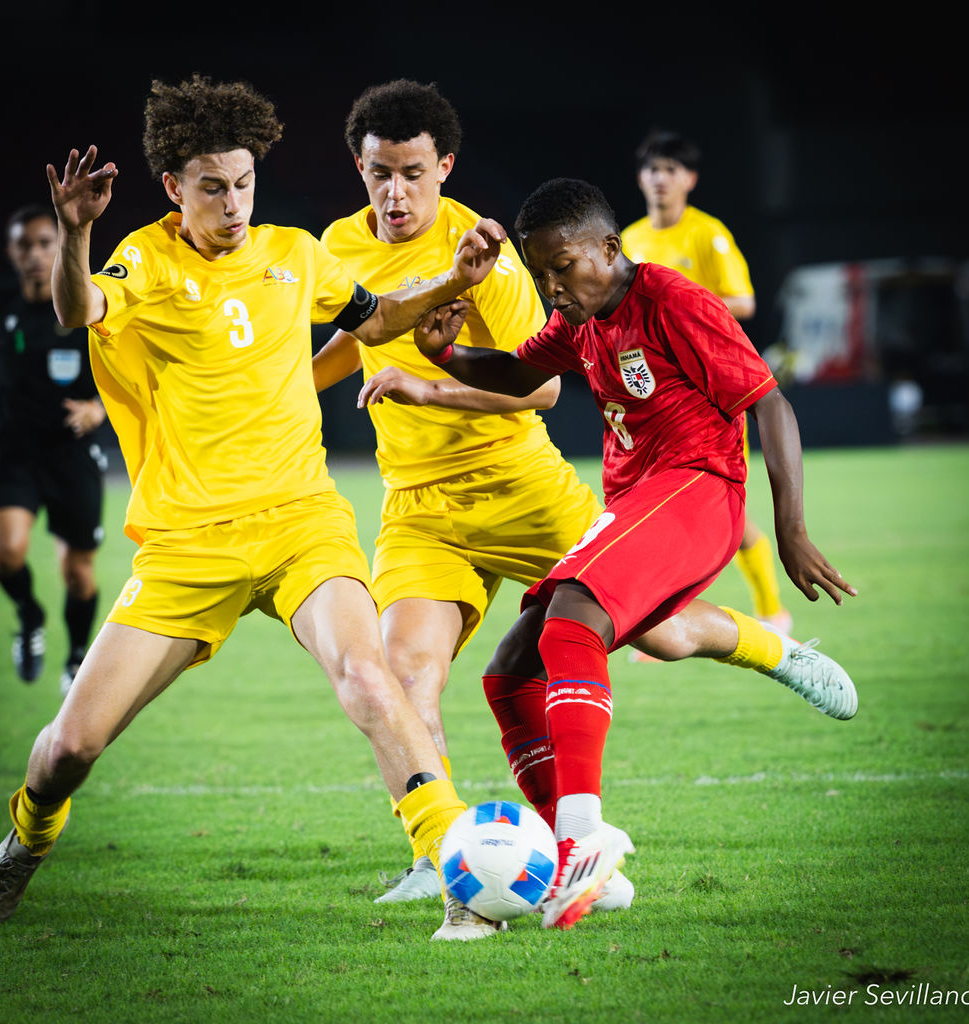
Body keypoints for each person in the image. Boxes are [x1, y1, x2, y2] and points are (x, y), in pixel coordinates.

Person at [0, 75, 508, 942]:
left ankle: (456, 874)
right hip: (188, 544)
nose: (233, 204)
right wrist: (75, 232)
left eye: (244, 183)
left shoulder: (295, 253)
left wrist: (453, 277)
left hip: (301, 521)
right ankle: (23, 844)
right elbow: (77, 309)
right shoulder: (144, 260)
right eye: (213, 187)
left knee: (369, 677)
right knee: (69, 749)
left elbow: (375, 321)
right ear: (174, 187)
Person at [314, 81, 852, 920]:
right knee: (503, 674)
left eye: (562, 271)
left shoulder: (654, 294)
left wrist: (791, 528)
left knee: (594, 621)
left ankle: (582, 840)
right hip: (505, 502)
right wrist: (444, 357)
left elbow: (765, 403)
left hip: (648, 486)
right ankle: (485, 858)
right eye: (545, 275)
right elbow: (516, 366)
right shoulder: (571, 315)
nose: (553, 289)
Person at [621, 130, 792, 635]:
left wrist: (678, 304)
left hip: (706, 391)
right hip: (649, 394)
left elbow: (744, 301)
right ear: (640, 178)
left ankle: (771, 611)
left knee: (722, 515)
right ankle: (658, 627)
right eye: (652, 169)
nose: (660, 178)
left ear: (690, 179)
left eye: (670, 169)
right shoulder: (628, 240)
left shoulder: (707, 234)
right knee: (652, 511)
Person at [0, 206, 107, 695]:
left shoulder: (84, 305)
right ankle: (29, 617)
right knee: (6, 555)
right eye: (23, 244)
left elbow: (128, 369)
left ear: (60, 246)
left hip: (71, 452)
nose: (35, 254)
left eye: (45, 243)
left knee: (78, 573)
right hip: (14, 451)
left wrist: (98, 409)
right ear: (11, 251)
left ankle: (76, 656)